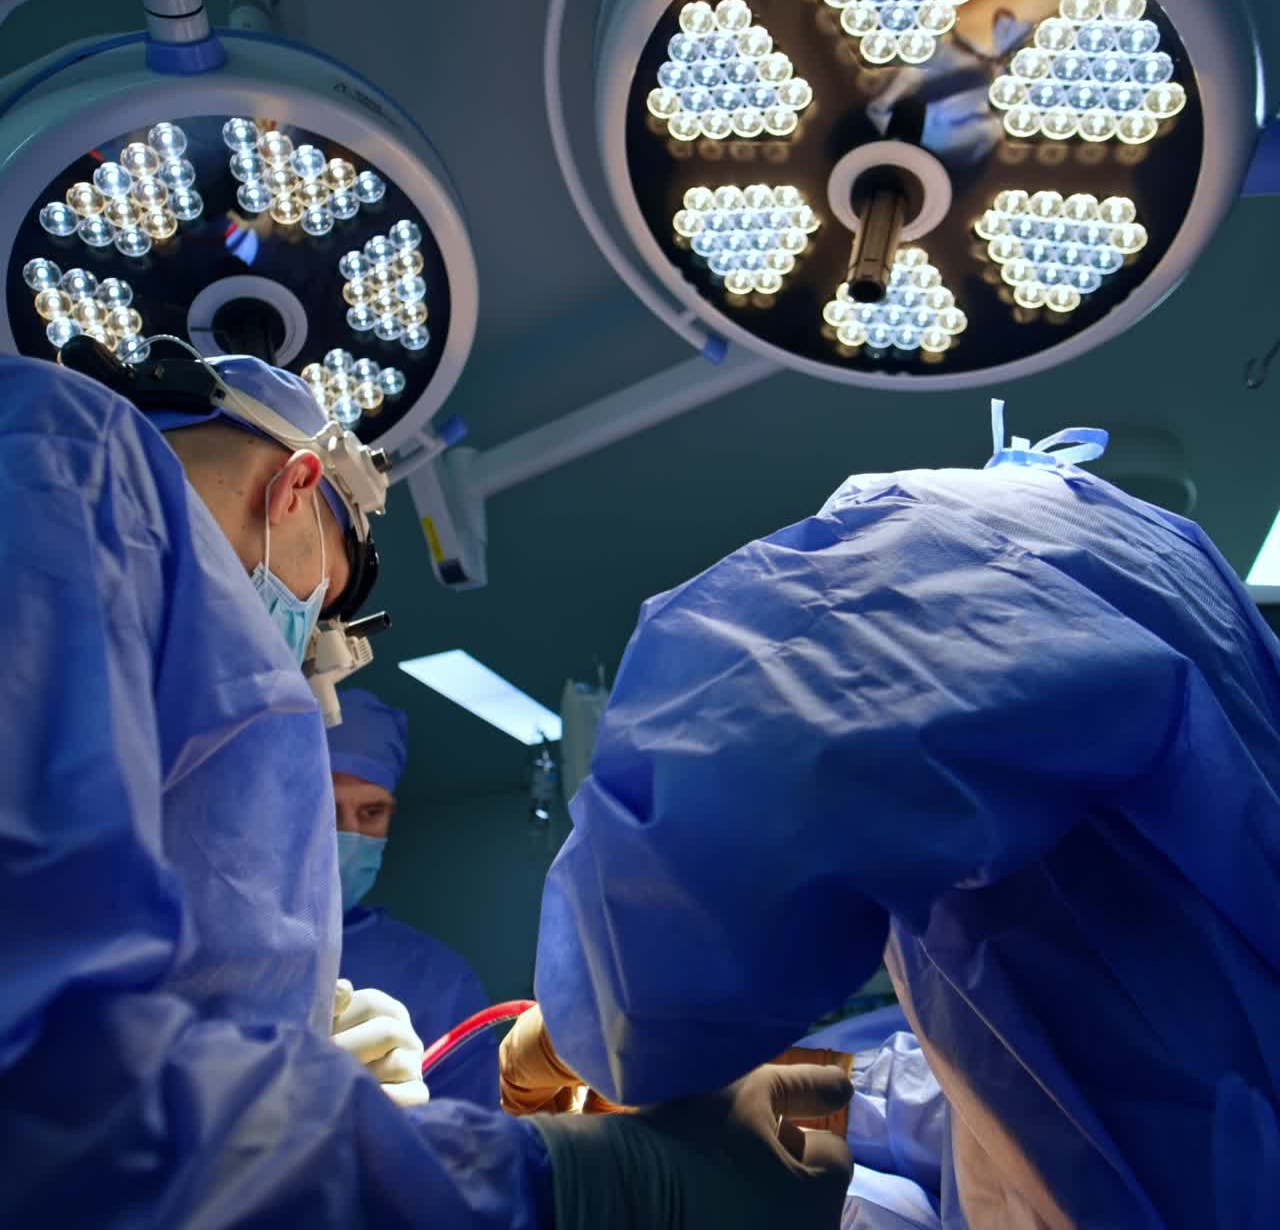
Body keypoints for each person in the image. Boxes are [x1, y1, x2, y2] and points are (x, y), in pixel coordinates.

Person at [0, 341, 853, 1228]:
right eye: (321, 603)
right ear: (293, 489)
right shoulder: (61, 457)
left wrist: (301, 1063)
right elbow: (53, 1096)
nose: (298, 656)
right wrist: (564, 1182)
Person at [516, 401, 1280, 1229]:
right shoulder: (1172, 595)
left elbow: (718, 826)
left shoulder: (974, 547)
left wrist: (573, 1029)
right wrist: (839, 1095)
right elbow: (1058, 1072)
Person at [329, 687, 499, 1107]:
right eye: (327, 809)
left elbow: (476, 1156)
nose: (350, 835)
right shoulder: (213, 950)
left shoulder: (441, 981)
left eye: (371, 812)